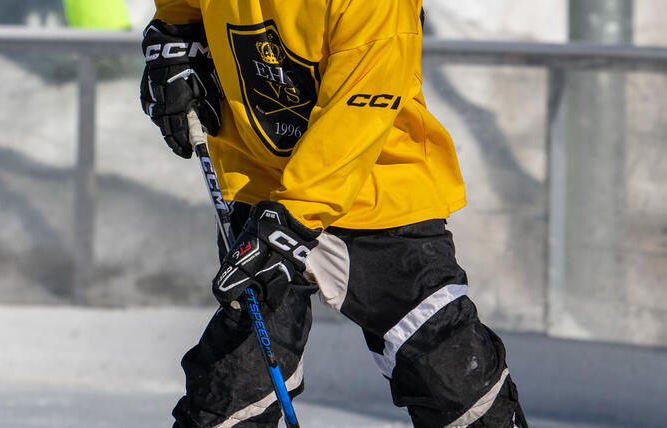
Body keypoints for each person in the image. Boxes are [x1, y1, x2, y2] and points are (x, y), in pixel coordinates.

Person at [140, 1, 529, 427]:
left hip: (377, 195)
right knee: (234, 386)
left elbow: (357, 113)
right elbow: (185, 9)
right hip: (261, 188)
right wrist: (177, 33)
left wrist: (294, 218)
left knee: (455, 380)